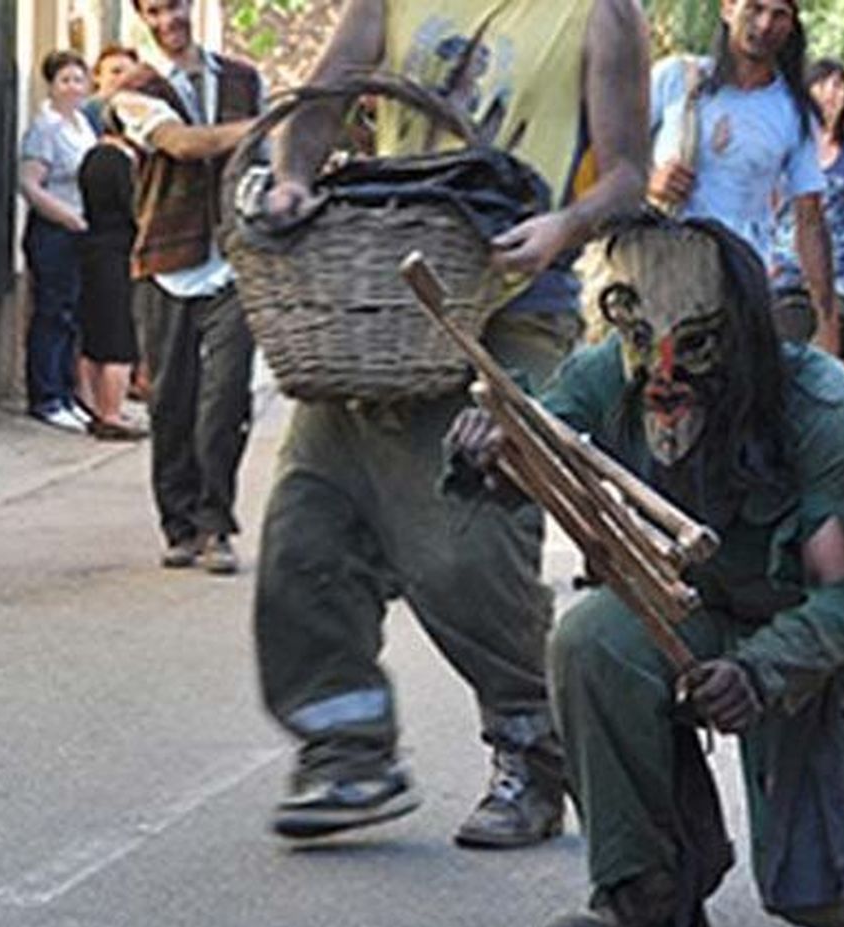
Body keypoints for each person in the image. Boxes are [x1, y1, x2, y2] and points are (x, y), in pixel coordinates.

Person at [447, 214, 844, 927]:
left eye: (692, 349)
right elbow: (536, 452)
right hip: (693, 611)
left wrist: (761, 673)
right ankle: (644, 892)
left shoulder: (820, 410)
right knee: (590, 641)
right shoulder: (611, 374)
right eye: (641, 343)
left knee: (817, 892)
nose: (662, 376)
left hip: (812, 645)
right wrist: (488, 454)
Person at [252, 0, 651, 846]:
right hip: (387, 297)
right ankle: (347, 753)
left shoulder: (600, 13)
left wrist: (564, 227)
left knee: (468, 542)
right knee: (306, 529)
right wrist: (293, 174)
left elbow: (626, 177)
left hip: (511, 303)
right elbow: (322, 96)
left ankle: (532, 755)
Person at [111, 0, 263, 574]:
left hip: (234, 260)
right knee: (171, 401)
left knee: (226, 398)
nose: (167, 20)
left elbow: (267, 158)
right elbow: (181, 145)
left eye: (173, 6)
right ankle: (177, 525)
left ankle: (215, 525)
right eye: (153, 11)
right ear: (142, 19)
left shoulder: (246, 79)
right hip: (165, 260)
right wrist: (259, 128)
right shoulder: (134, 90)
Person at [648, 0, 839, 355]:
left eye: (779, 14)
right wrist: (649, 180)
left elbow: (810, 218)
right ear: (728, 8)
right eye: (755, 8)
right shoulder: (676, 78)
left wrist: (828, 324)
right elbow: (607, 155)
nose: (765, 24)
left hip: (738, 289)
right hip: (656, 278)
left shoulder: (794, 113)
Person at [768, 58, 844, 373]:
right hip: (788, 262)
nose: (830, 93)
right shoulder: (788, 137)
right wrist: (764, 256)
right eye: (821, 84)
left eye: (838, 84)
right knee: (787, 353)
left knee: (830, 364)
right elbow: (770, 202)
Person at [18, 50, 97, 434]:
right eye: (64, 79)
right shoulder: (45, 129)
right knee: (52, 312)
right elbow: (30, 184)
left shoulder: (83, 124)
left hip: (80, 230)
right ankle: (46, 397)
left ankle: (67, 395)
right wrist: (66, 217)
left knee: (72, 314)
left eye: (78, 79)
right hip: (54, 230)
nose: (72, 87)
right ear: (50, 85)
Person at [76, 108, 147, 441]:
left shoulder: (91, 156)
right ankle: (111, 413)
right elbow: (133, 208)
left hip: (92, 247)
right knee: (119, 339)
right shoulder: (117, 160)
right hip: (117, 251)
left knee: (94, 335)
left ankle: (93, 407)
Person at [83, 44, 141, 135]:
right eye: (116, 71)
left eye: (131, 74)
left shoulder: (141, 111)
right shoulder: (83, 114)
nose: (124, 79)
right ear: (96, 76)